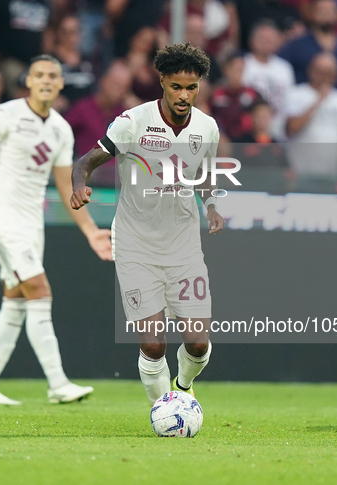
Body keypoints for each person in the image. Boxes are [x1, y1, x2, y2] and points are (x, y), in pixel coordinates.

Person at [70, 43, 225, 405]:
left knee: (199, 343)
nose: (184, 95)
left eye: (191, 87)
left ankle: (183, 389)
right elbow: (85, 162)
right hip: (135, 244)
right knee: (154, 344)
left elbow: (205, 175)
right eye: (176, 86)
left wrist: (212, 206)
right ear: (162, 82)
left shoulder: (207, 128)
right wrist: (80, 184)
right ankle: (164, 411)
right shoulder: (132, 122)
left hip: (184, 245)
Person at [0, 55, 112, 405]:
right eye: (39, 75)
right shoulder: (4, 115)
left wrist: (90, 231)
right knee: (40, 291)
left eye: (53, 76)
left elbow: (64, 187)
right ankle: (58, 384)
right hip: (2, 219)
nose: (46, 81)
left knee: (14, 302)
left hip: (32, 224)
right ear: (28, 81)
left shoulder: (60, 128)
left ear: (61, 84)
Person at [278, 0, 337, 120]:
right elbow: (279, 71)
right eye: (321, 11)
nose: (326, 16)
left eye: (330, 11)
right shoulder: (296, 46)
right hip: (302, 115)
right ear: (312, 13)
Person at [283, 53, 337, 177]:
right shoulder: (296, 94)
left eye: (329, 72)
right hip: (300, 172)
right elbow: (292, 128)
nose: (324, 77)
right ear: (311, 71)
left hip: (331, 173)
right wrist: (318, 100)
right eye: (320, 71)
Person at [242, 20, 295, 140]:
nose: (267, 42)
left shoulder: (285, 68)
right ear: (252, 41)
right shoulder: (243, 64)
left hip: (277, 134)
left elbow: (289, 102)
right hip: (249, 134)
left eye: (271, 39)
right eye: (263, 38)